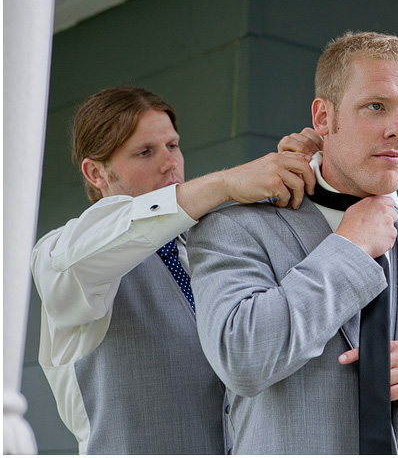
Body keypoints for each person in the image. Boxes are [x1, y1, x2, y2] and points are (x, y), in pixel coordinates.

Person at [188, 32, 398, 454]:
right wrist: (350, 250)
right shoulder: (235, 229)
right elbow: (243, 359)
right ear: (324, 118)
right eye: (376, 106)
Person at [30, 87, 323, 454]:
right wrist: (225, 183)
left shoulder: (215, 247)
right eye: (145, 152)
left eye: (172, 145)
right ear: (96, 173)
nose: (169, 163)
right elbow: (102, 242)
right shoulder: (61, 254)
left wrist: (316, 172)